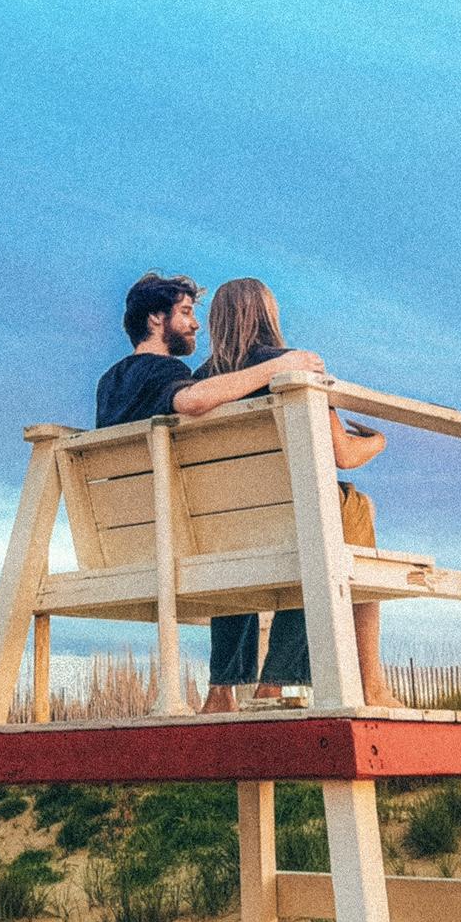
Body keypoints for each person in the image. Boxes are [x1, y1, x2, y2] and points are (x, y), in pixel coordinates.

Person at [194, 276, 400, 712]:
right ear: (270, 315)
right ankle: (358, 684)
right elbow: (342, 453)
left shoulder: (199, 384)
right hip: (298, 513)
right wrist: (378, 441)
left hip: (227, 521)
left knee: (241, 538)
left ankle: (220, 691)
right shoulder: (293, 366)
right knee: (347, 517)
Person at [94, 271, 324, 428]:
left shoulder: (108, 382)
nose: (196, 324)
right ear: (155, 317)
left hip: (120, 498)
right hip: (162, 494)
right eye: (185, 312)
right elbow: (192, 401)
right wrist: (281, 365)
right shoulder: (163, 369)